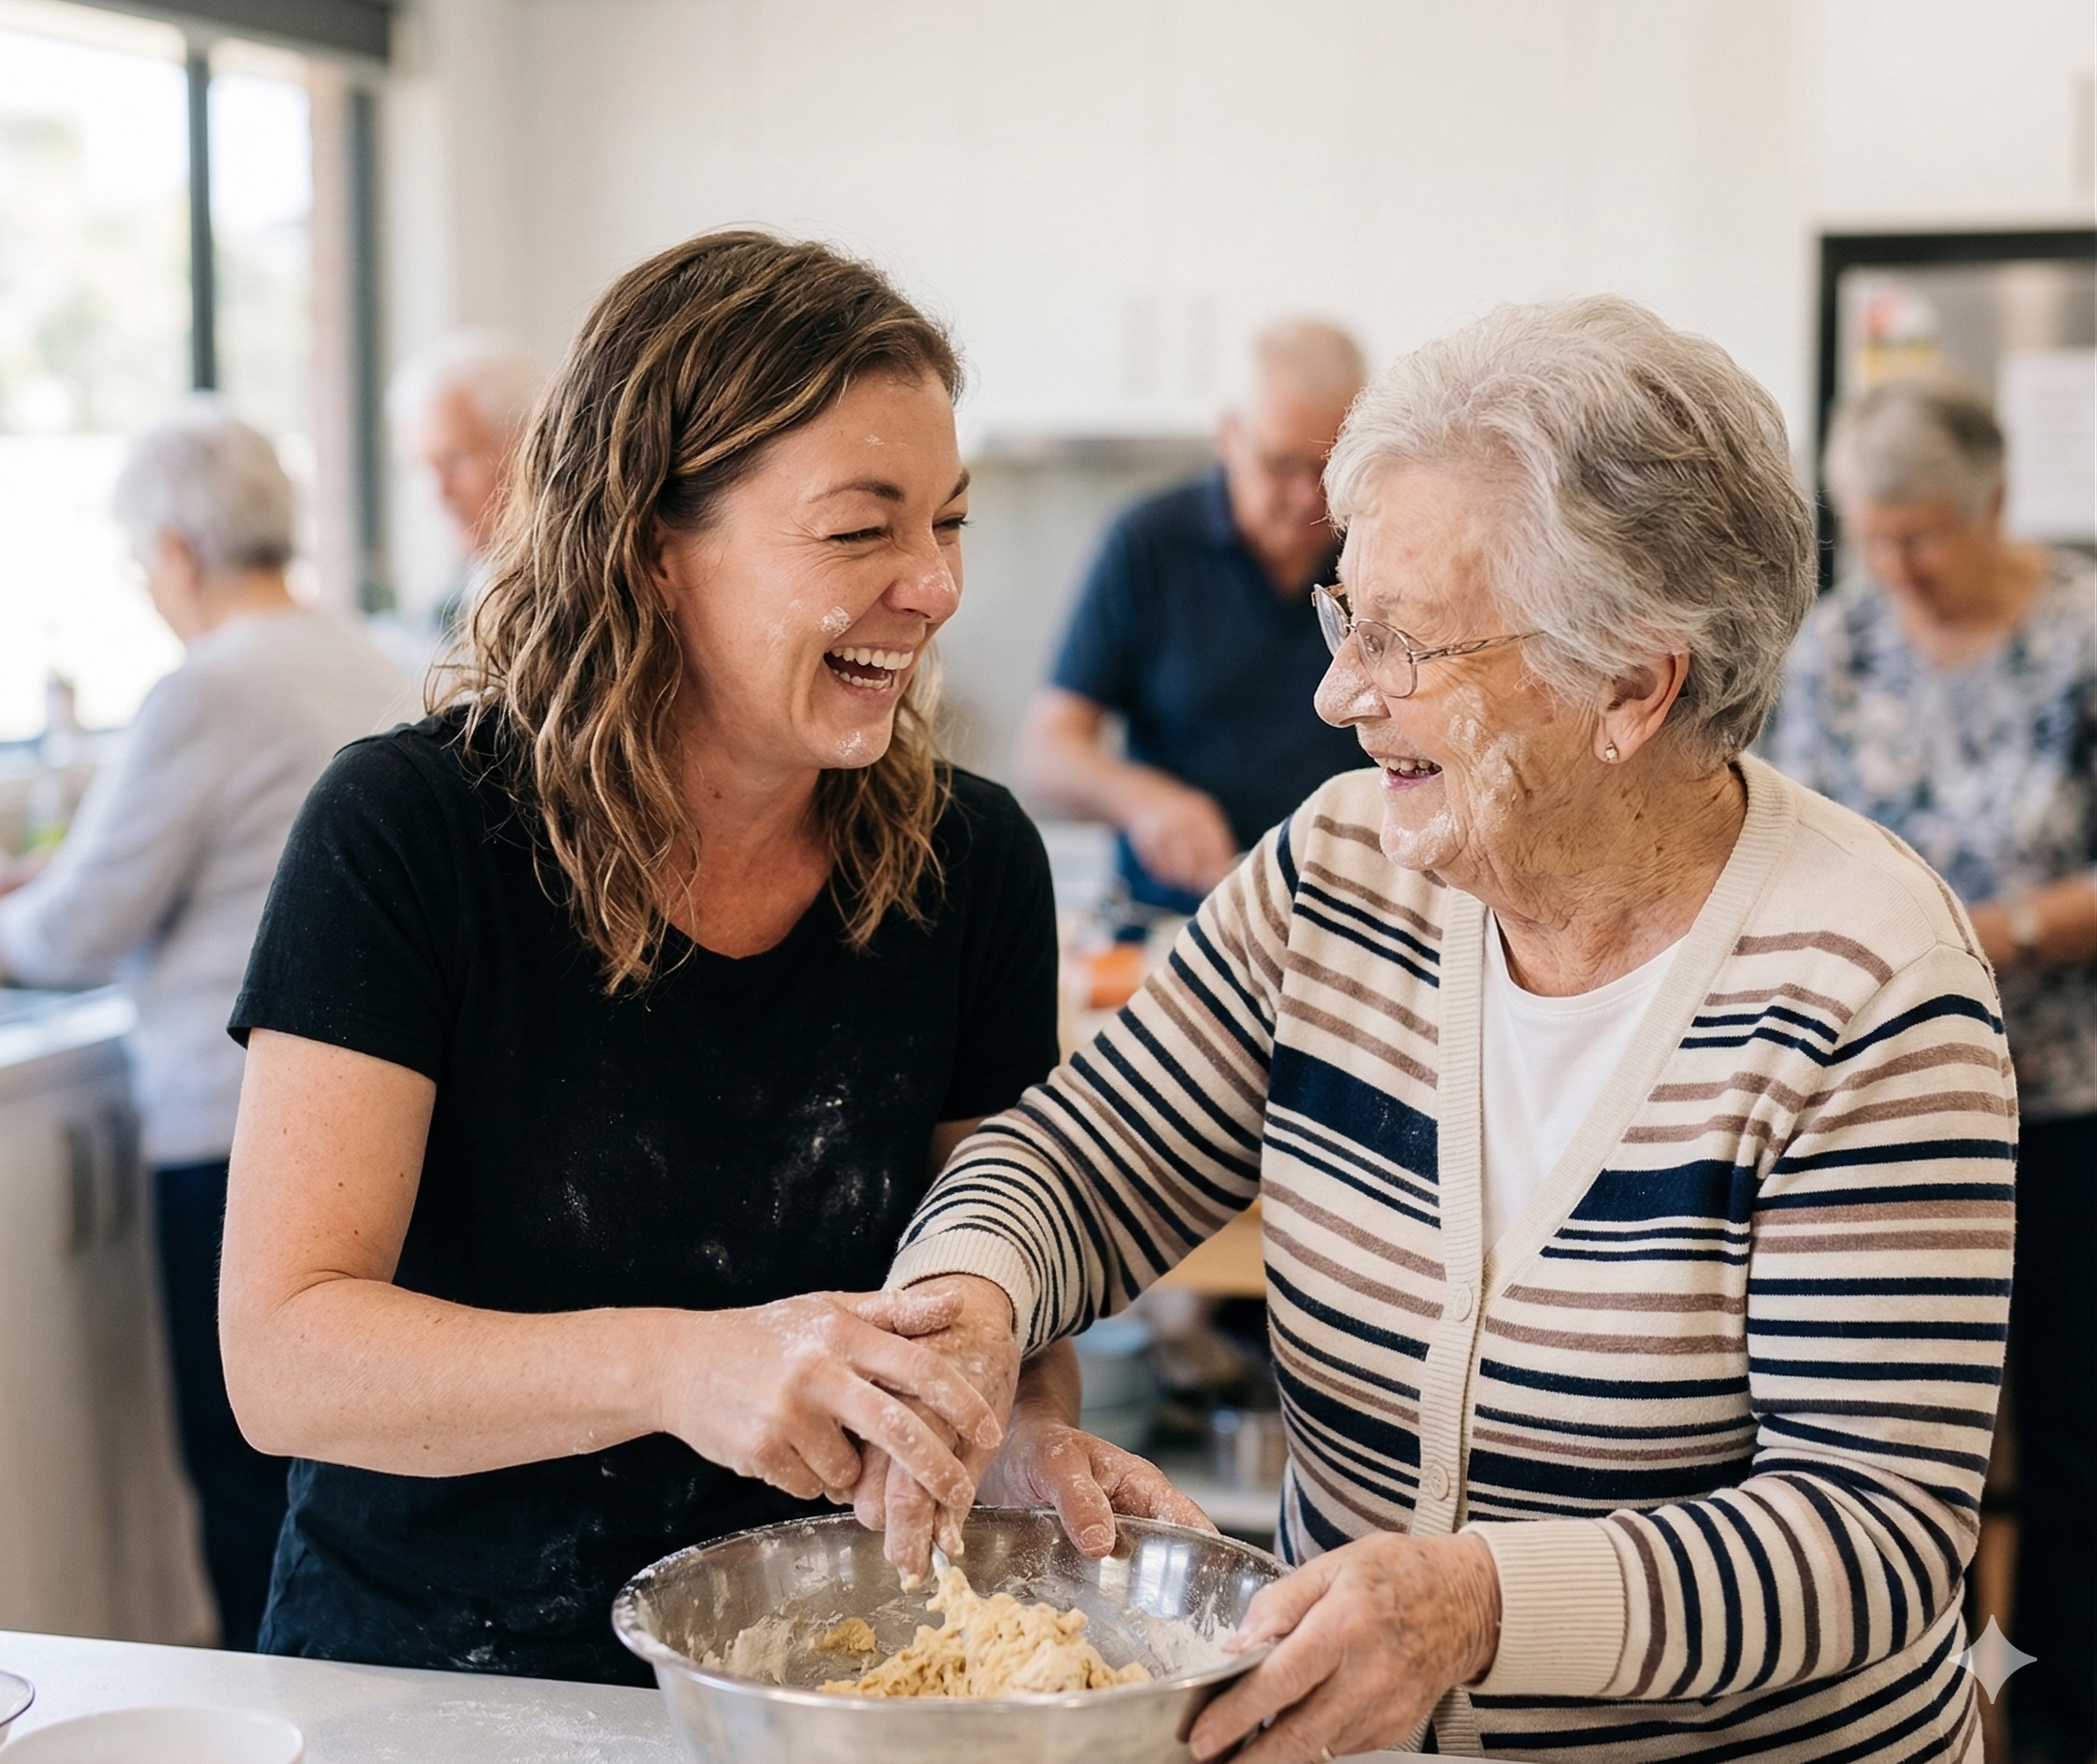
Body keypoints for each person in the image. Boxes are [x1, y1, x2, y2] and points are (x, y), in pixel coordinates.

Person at [868, 298, 2018, 1761]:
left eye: (1405, 645)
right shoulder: (1337, 873)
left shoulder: (1867, 985)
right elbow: (1077, 1161)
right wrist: (975, 1300)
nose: (1339, 696)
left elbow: (1868, 1535)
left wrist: (1478, 1608)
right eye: (1347, 619)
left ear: (1631, 684)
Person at [215, 233, 1202, 1688]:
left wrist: (1012, 1434)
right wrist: (680, 1365)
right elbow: (286, 1359)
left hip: (811, 1678)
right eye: (863, 530)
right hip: (430, 1684)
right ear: (653, 550)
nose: (932, 588)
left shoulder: (970, 862)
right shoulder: (412, 832)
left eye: (948, 522)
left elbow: (993, 1289)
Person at [0, 405, 407, 1650]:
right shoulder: (360, 654)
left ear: (175, 551)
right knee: (344, 1485)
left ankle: (262, 1716)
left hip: (235, 1135)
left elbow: (77, 929)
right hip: (387, 1119)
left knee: (247, 1491)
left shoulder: (209, 685)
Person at [1769, 377, 2096, 1764]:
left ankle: (2067, 1729)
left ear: (1996, 506)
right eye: (1874, 536)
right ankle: (1905, 1722)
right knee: (1892, 1450)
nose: (1897, 567)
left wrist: (1996, 928)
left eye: (1924, 538)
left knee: (2078, 1448)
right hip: (1876, 1114)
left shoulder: (2083, 642)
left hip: (2067, 1104)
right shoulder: (1835, 645)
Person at [1018, 320, 1368, 913]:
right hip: (1180, 916)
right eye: (1282, 465)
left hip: (1352, 912)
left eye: (1330, 469)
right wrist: (1144, 799)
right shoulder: (1148, 543)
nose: (1309, 500)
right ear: (1229, 435)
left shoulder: (1379, 549)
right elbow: (1046, 752)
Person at [386, 328, 543, 622]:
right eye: (423, 468)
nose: (439, 493)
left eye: (455, 459)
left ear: (527, 447)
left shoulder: (577, 592)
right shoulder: (457, 601)